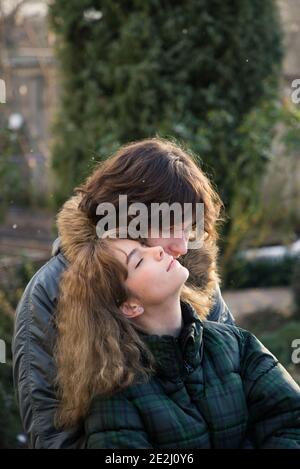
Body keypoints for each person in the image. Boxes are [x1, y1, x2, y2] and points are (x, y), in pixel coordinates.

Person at [12, 137, 234, 449]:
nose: (182, 247)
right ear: (127, 220)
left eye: (188, 229)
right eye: (171, 228)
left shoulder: (189, 271)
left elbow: (241, 382)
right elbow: (54, 436)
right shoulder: (51, 293)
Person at [54, 195, 300, 449]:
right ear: (130, 305)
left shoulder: (237, 344)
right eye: (138, 259)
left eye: (145, 244)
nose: (159, 250)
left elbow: (292, 420)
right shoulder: (115, 399)